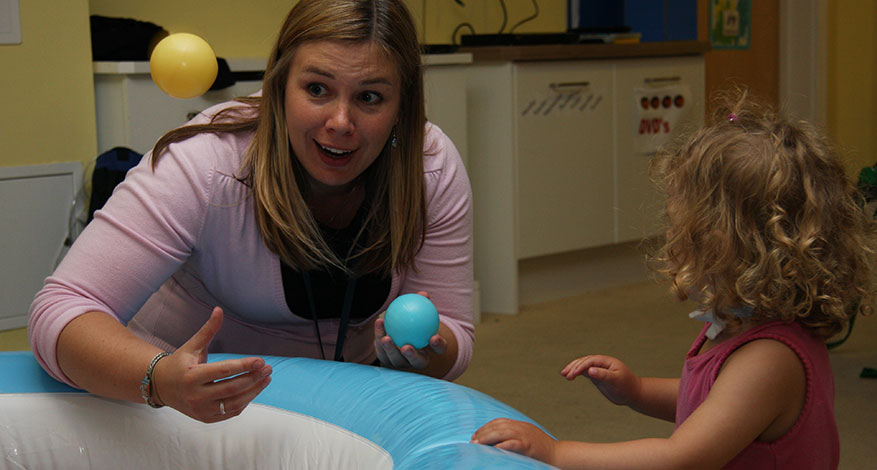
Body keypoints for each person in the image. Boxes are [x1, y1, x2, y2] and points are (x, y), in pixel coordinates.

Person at [29, 0, 474, 424]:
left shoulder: (428, 168)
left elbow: (455, 333)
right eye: (317, 89)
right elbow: (61, 310)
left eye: (370, 97)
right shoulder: (204, 161)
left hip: (343, 407)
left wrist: (426, 353)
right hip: (179, 409)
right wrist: (161, 378)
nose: (340, 121)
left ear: (402, 108)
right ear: (279, 85)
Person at [471, 90, 876, 469]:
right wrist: (637, 391)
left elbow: (681, 458)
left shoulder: (768, 360)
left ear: (725, 248)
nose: (669, 240)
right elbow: (710, 400)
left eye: (678, 230)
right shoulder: (738, 322)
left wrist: (557, 451)